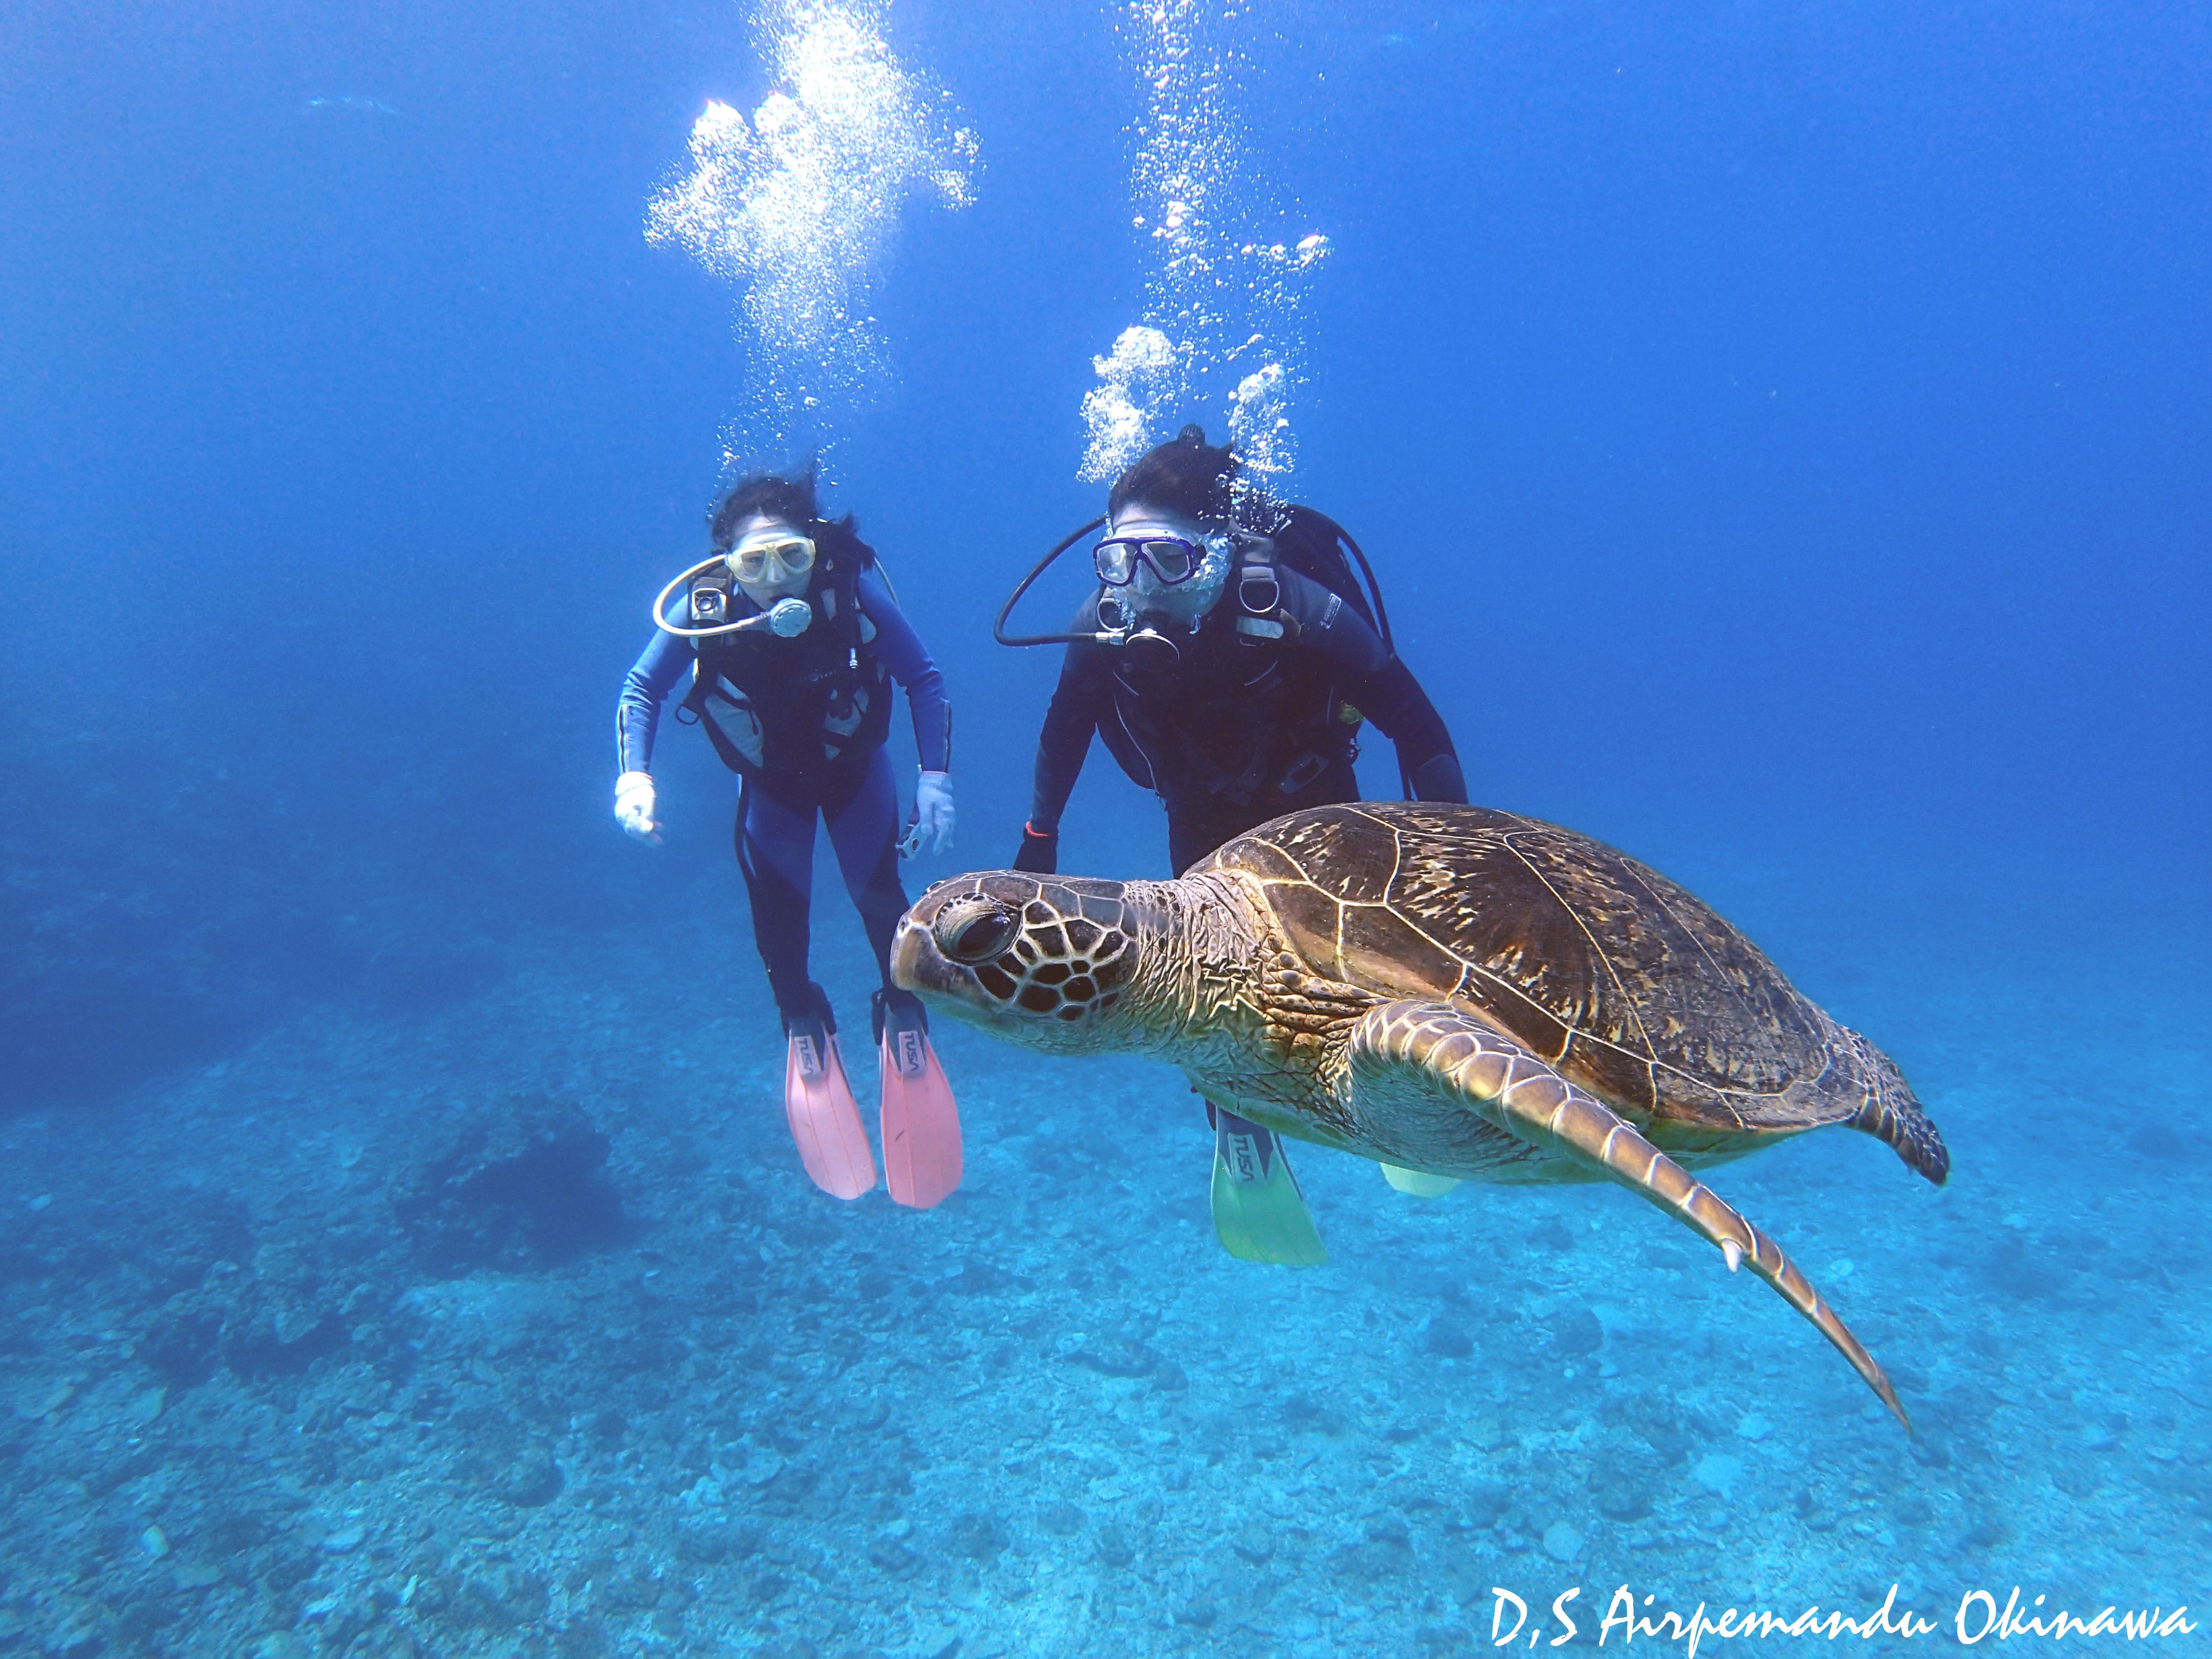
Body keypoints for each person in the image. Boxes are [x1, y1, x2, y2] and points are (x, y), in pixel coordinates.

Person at [1006, 426, 1467, 1259]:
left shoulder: (1299, 609)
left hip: (1321, 816)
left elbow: (1419, 727)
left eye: (1169, 562)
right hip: (1199, 819)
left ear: (1216, 553)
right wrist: (1038, 840)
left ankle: (1407, 1092)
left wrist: (1447, 855)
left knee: (1360, 968)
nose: (1141, 590)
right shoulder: (1104, 627)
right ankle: (1237, 1114)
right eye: (1120, 564)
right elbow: (1061, 736)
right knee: (1208, 984)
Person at [614, 470, 963, 1209]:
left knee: (883, 910)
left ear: (818, 550)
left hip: (853, 775)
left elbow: (923, 678)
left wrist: (936, 778)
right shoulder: (701, 611)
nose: (776, 582)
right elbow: (641, 689)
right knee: (779, 923)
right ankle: (803, 1024)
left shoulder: (849, 591)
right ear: (725, 567)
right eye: (753, 564)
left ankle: (903, 1017)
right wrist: (632, 777)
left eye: (792, 558)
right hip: (771, 787)